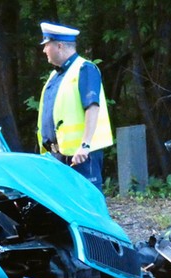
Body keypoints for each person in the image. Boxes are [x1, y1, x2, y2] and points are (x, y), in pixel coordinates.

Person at [36, 22, 113, 191]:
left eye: (46, 45)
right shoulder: (55, 76)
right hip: (58, 156)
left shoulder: (84, 69)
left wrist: (85, 146)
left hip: (81, 156)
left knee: (87, 207)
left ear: (59, 46)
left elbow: (92, 108)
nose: (43, 50)